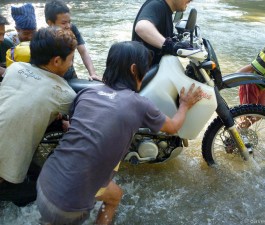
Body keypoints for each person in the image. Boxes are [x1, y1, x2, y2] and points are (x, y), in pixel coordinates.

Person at [36, 41, 203, 225]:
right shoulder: (139, 103)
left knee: (114, 194)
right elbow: (173, 127)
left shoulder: (86, 93)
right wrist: (185, 105)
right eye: (145, 69)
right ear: (134, 70)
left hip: (44, 185)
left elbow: (74, 124)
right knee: (111, 200)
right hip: (68, 208)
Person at [0, 27, 77, 187]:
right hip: (5, 175)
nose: (71, 64)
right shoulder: (64, 94)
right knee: (40, 192)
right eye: (71, 59)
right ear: (56, 61)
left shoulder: (14, 68)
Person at [44, 0, 100, 81]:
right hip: (52, 77)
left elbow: (83, 52)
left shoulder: (72, 29)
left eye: (69, 22)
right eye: (63, 23)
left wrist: (93, 74)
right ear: (50, 23)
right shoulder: (44, 38)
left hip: (70, 74)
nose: (68, 26)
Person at [132, 0, 192, 66]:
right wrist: (169, 45)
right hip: (145, 73)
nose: (191, 1)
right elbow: (141, 27)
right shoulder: (157, 4)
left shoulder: (165, 9)